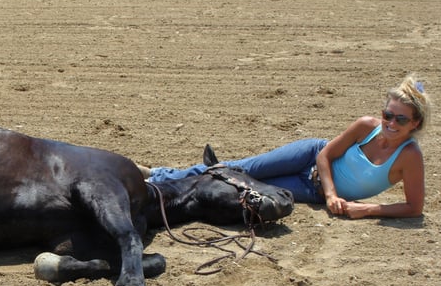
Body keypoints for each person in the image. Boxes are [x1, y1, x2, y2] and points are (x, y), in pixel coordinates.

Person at [141, 74, 431, 219]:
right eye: (387, 114)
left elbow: (414, 207)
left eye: (400, 119)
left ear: (415, 124)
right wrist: (332, 194)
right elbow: (325, 154)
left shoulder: (409, 156)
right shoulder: (367, 126)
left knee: (242, 186)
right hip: (309, 160)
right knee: (235, 168)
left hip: (310, 190)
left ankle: (160, 185)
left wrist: (365, 209)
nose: (391, 123)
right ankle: (158, 175)